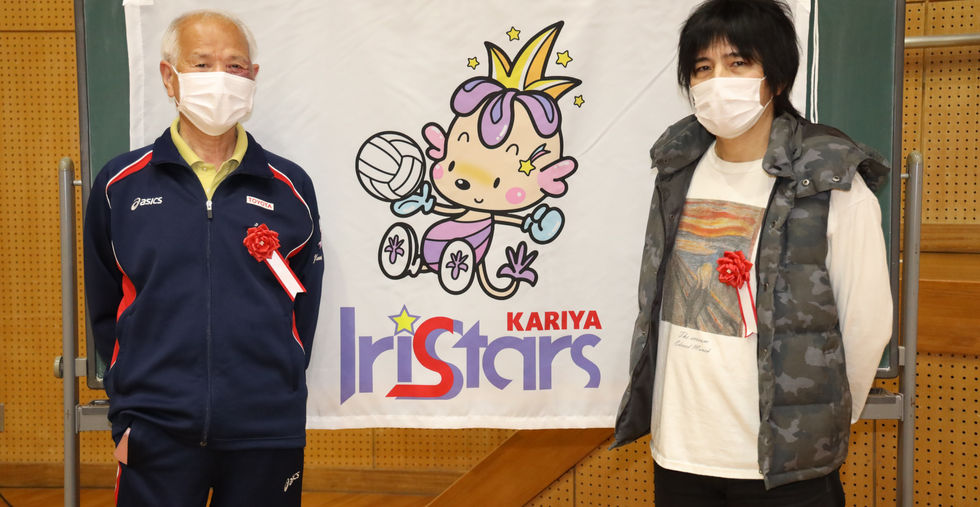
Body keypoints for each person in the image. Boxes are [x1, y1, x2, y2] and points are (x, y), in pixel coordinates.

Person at [612, 0, 892, 505]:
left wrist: (816, 424)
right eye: (703, 68)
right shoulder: (677, 170)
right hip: (680, 452)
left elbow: (866, 322)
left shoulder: (831, 182)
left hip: (782, 466)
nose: (717, 81)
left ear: (777, 78)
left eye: (738, 62)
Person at [84, 10, 323, 507]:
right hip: (155, 430)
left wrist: (275, 383)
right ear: (169, 77)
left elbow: (302, 305)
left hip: (265, 430)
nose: (221, 77)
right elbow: (106, 306)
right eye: (202, 64)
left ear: (253, 77)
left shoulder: (290, 188)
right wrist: (131, 405)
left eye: (235, 66)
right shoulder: (119, 186)